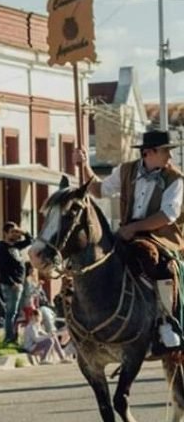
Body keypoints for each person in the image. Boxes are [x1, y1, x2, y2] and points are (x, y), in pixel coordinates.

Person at [77, 130, 184, 353]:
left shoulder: (175, 179)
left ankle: (165, 321)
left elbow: (167, 216)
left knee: (160, 266)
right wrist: (84, 165)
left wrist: (133, 228)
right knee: (97, 261)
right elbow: (99, 190)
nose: (169, 157)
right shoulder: (125, 170)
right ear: (149, 152)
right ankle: (92, 319)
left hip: (160, 235)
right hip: (127, 232)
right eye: (165, 151)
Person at [0, 222, 32, 344]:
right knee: (11, 312)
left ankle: (14, 336)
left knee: (16, 312)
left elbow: (30, 240)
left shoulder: (16, 246)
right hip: (11, 285)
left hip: (19, 283)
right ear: (5, 233)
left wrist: (22, 232)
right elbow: (2, 269)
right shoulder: (2, 248)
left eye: (16, 232)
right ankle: (8, 338)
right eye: (12, 232)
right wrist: (12, 283)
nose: (15, 234)